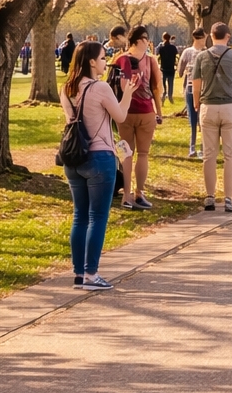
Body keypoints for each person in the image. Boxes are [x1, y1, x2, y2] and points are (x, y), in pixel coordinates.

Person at [60, 41, 136, 288]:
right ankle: (92, 274)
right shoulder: (101, 88)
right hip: (99, 158)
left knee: (79, 216)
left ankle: (79, 273)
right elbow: (121, 116)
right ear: (92, 61)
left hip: (73, 159)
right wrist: (127, 95)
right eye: (103, 58)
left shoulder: (67, 88)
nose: (106, 62)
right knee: (97, 217)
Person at [193, 21, 232, 213]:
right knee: (230, 156)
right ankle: (229, 199)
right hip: (230, 106)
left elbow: (196, 82)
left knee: (209, 155)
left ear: (210, 36)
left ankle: (209, 196)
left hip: (208, 106)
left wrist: (196, 101)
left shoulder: (201, 56)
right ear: (228, 36)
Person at [113, 25, 163, 210]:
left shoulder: (120, 59)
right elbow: (157, 88)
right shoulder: (150, 61)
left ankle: (128, 194)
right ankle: (137, 193)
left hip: (124, 112)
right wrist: (159, 112)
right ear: (141, 40)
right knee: (141, 154)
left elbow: (119, 84)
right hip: (143, 111)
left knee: (128, 154)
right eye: (146, 38)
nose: (148, 42)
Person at [178, 28, 206, 158]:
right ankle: (194, 147)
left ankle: (201, 148)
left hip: (203, 90)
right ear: (201, 37)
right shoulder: (189, 52)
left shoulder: (206, 52)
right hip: (192, 89)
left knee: (202, 120)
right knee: (194, 120)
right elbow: (180, 70)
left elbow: (180, 71)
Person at [157, 32, 179, 104]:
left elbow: (158, 56)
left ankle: (163, 96)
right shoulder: (173, 47)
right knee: (171, 83)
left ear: (163, 38)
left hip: (163, 68)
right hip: (171, 68)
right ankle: (170, 97)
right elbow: (176, 56)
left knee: (163, 84)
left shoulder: (161, 48)